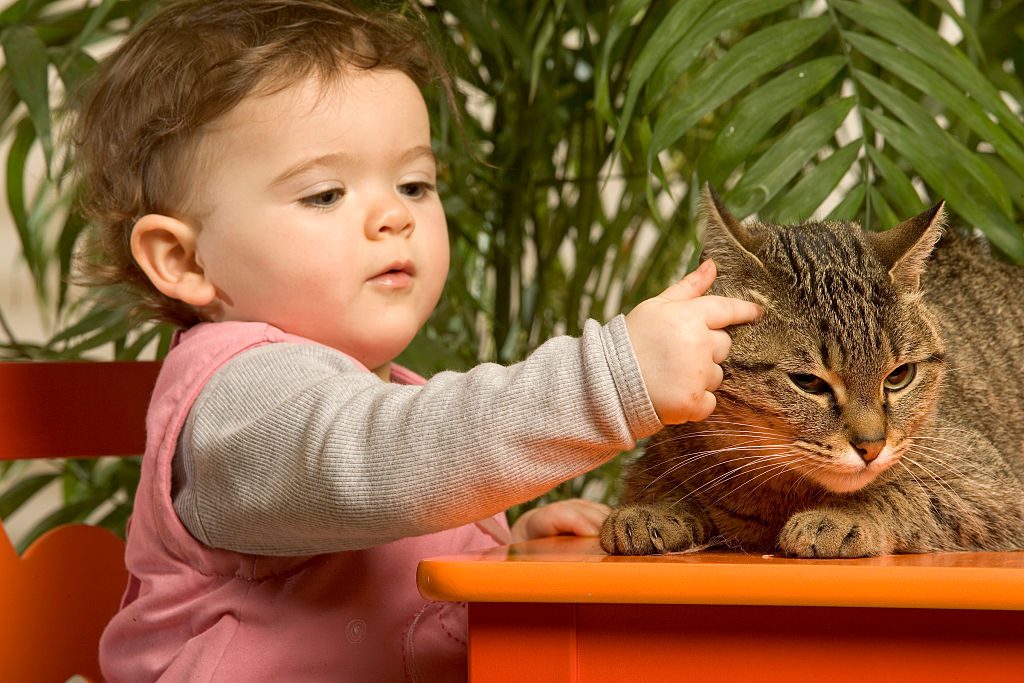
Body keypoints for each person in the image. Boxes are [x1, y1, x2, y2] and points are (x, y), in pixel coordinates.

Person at [73, 1, 762, 680]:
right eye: (323, 194)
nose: (393, 216)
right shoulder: (237, 402)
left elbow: (401, 521)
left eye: (414, 183)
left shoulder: (387, 399)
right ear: (184, 261)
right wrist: (611, 380)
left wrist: (494, 556)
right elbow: (373, 463)